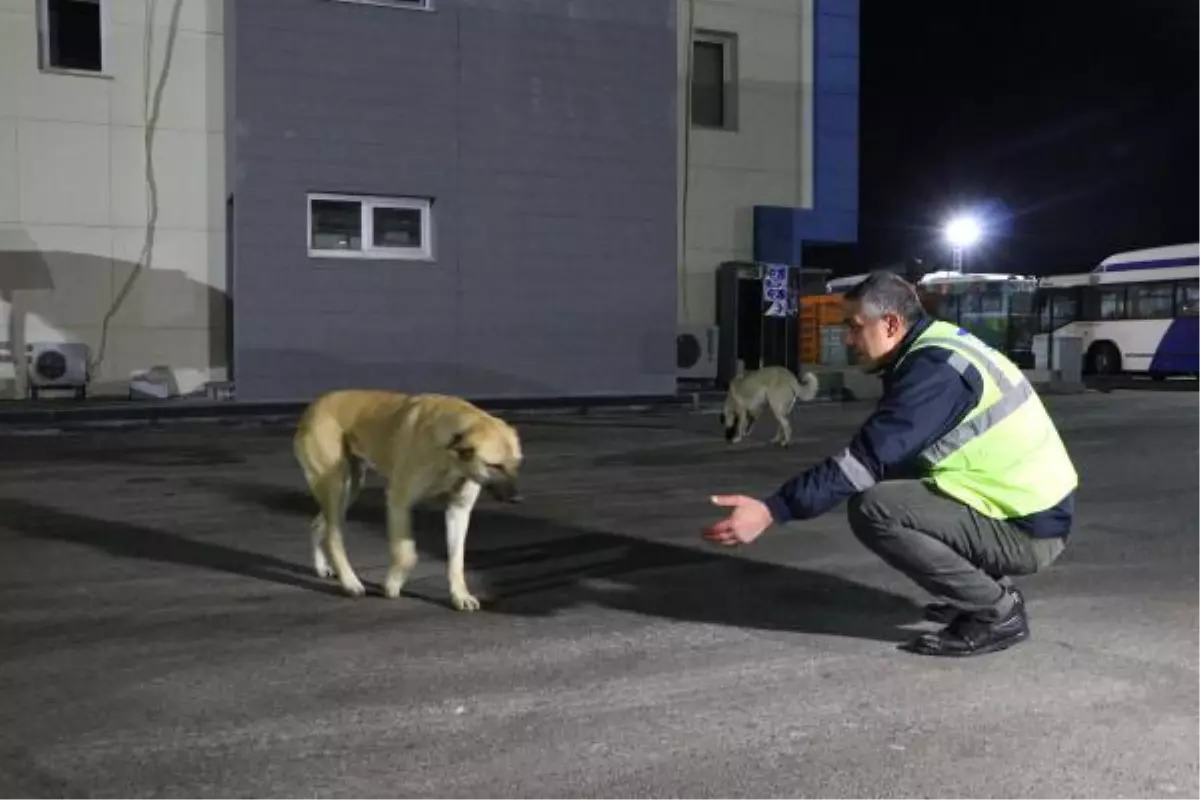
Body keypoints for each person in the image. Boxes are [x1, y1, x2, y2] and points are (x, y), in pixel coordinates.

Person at [702, 270, 1078, 657]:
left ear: (892, 323)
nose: (849, 340)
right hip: (1021, 509)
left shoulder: (936, 372)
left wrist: (771, 511)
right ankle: (975, 589)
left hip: (1029, 532)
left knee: (875, 508)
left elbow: (862, 462)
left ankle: (996, 611)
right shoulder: (935, 347)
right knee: (895, 478)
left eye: (854, 327)